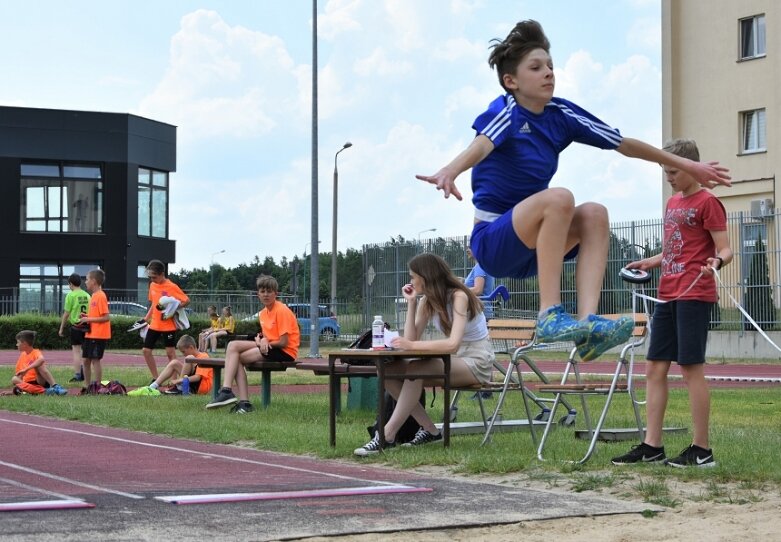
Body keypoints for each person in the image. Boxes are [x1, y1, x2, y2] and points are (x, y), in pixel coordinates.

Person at [416, 20, 732, 361]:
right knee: (560, 198)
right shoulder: (506, 111)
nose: (548, 73)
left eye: (550, 66)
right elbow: (481, 143)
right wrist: (451, 170)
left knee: (595, 212)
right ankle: (549, 313)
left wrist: (689, 165)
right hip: (493, 242)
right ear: (511, 81)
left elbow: (623, 144)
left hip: (531, 248)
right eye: (536, 68)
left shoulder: (561, 115)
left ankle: (587, 325)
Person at [611, 139, 733, 468]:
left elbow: (725, 249)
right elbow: (674, 249)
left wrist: (716, 264)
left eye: (674, 172)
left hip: (695, 294)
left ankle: (702, 449)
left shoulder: (708, 203)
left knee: (690, 367)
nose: (669, 177)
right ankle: (652, 446)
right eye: (665, 171)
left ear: (693, 168)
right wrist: (651, 262)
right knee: (654, 367)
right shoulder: (672, 203)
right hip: (667, 293)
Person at [353, 253, 496, 456]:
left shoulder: (459, 297)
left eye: (413, 276)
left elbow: (453, 344)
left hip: (476, 360)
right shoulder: (427, 302)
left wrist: (411, 345)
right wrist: (412, 303)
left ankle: (387, 434)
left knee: (416, 369)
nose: (411, 281)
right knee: (386, 369)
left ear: (426, 276)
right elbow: (411, 339)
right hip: (454, 360)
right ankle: (430, 430)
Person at [205, 275, 300, 413]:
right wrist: (261, 340)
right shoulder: (263, 313)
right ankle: (243, 402)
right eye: (263, 291)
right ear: (258, 294)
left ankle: (228, 392)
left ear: (276, 293)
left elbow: (284, 342)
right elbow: (267, 336)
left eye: (269, 291)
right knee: (233, 351)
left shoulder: (282, 310)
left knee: (234, 351)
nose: (266, 294)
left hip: (285, 351)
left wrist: (265, 342)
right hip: (270, 347)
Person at [142, 260, 190, 379]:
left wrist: (174, 308)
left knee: (170, 353)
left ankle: (174, 382)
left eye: (154, 277)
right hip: (154, 325)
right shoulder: (152, 285)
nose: (152, 279)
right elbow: (154, 304)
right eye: (150, 277)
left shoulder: (172, 286)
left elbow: (186, 300)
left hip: (168, 326)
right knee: (146, 351)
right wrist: (145, 319)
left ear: (162, 273)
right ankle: (155, 379)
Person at [128, 334, 214, 397]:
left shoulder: (203, 357)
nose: (183, 354)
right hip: (191, 383)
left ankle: (180, 387)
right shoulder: (193, 358)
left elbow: (197, 378)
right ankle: (152, 387)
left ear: (191, 347)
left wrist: (179, 380)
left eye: (184, 351)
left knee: (189, 357)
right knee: (174, 362)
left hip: (199, 388)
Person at [79, 268, 111, 389]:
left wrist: (89, 320)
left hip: (98, 335)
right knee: (86, 360)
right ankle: (87, 386)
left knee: (95, 360)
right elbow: (96, 316)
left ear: (93, 281)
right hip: (91, 334)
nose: (85, 282)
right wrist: (87, 317)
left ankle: (98, 386)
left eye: (87, 279)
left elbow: (106, 317)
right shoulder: (94, 296)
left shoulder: (101, 296)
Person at [11, 330, 67, 396]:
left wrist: (26, 369)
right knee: (14, 379)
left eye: (18, 342)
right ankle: (44, 391)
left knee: (39, 364)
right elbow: (19, 376)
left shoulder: (35, 352)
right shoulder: (22, 355)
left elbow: (41, 359)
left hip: (39, 381)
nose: (16, 345)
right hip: (28, 384)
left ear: (25, 344)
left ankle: (55, 386)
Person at [57, 272, 91, 382]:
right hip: (87, 326)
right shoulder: (87, 295)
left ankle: (77, 374)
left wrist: (61, 328)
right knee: (86, 352)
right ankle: (86, 373)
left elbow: (66, 314)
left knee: (76, 351)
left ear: (71, 284)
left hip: (76, 326)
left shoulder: (70, 295)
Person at [464, 247, 496, 319]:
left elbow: (478, 290)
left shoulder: (480, 267)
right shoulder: (484, 266)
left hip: (480, 313)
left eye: (470, 247)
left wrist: (458, 290)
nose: (467, 250)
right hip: (484, 312)